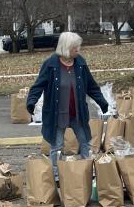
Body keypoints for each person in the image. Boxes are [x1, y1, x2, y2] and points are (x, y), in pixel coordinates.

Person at [26, 32, 109, 175]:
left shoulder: (80, 63)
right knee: (57, 146)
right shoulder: (50, 64)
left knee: (85, 143)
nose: (78, 49)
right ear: (66, 47)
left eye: (78, 46)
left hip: (78, 113)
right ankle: (56, 174)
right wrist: (31, 101)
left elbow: (91, 85)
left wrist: (102, 101)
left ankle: (88, 172)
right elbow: (38, 86)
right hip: (57, 114)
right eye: (75, 47)